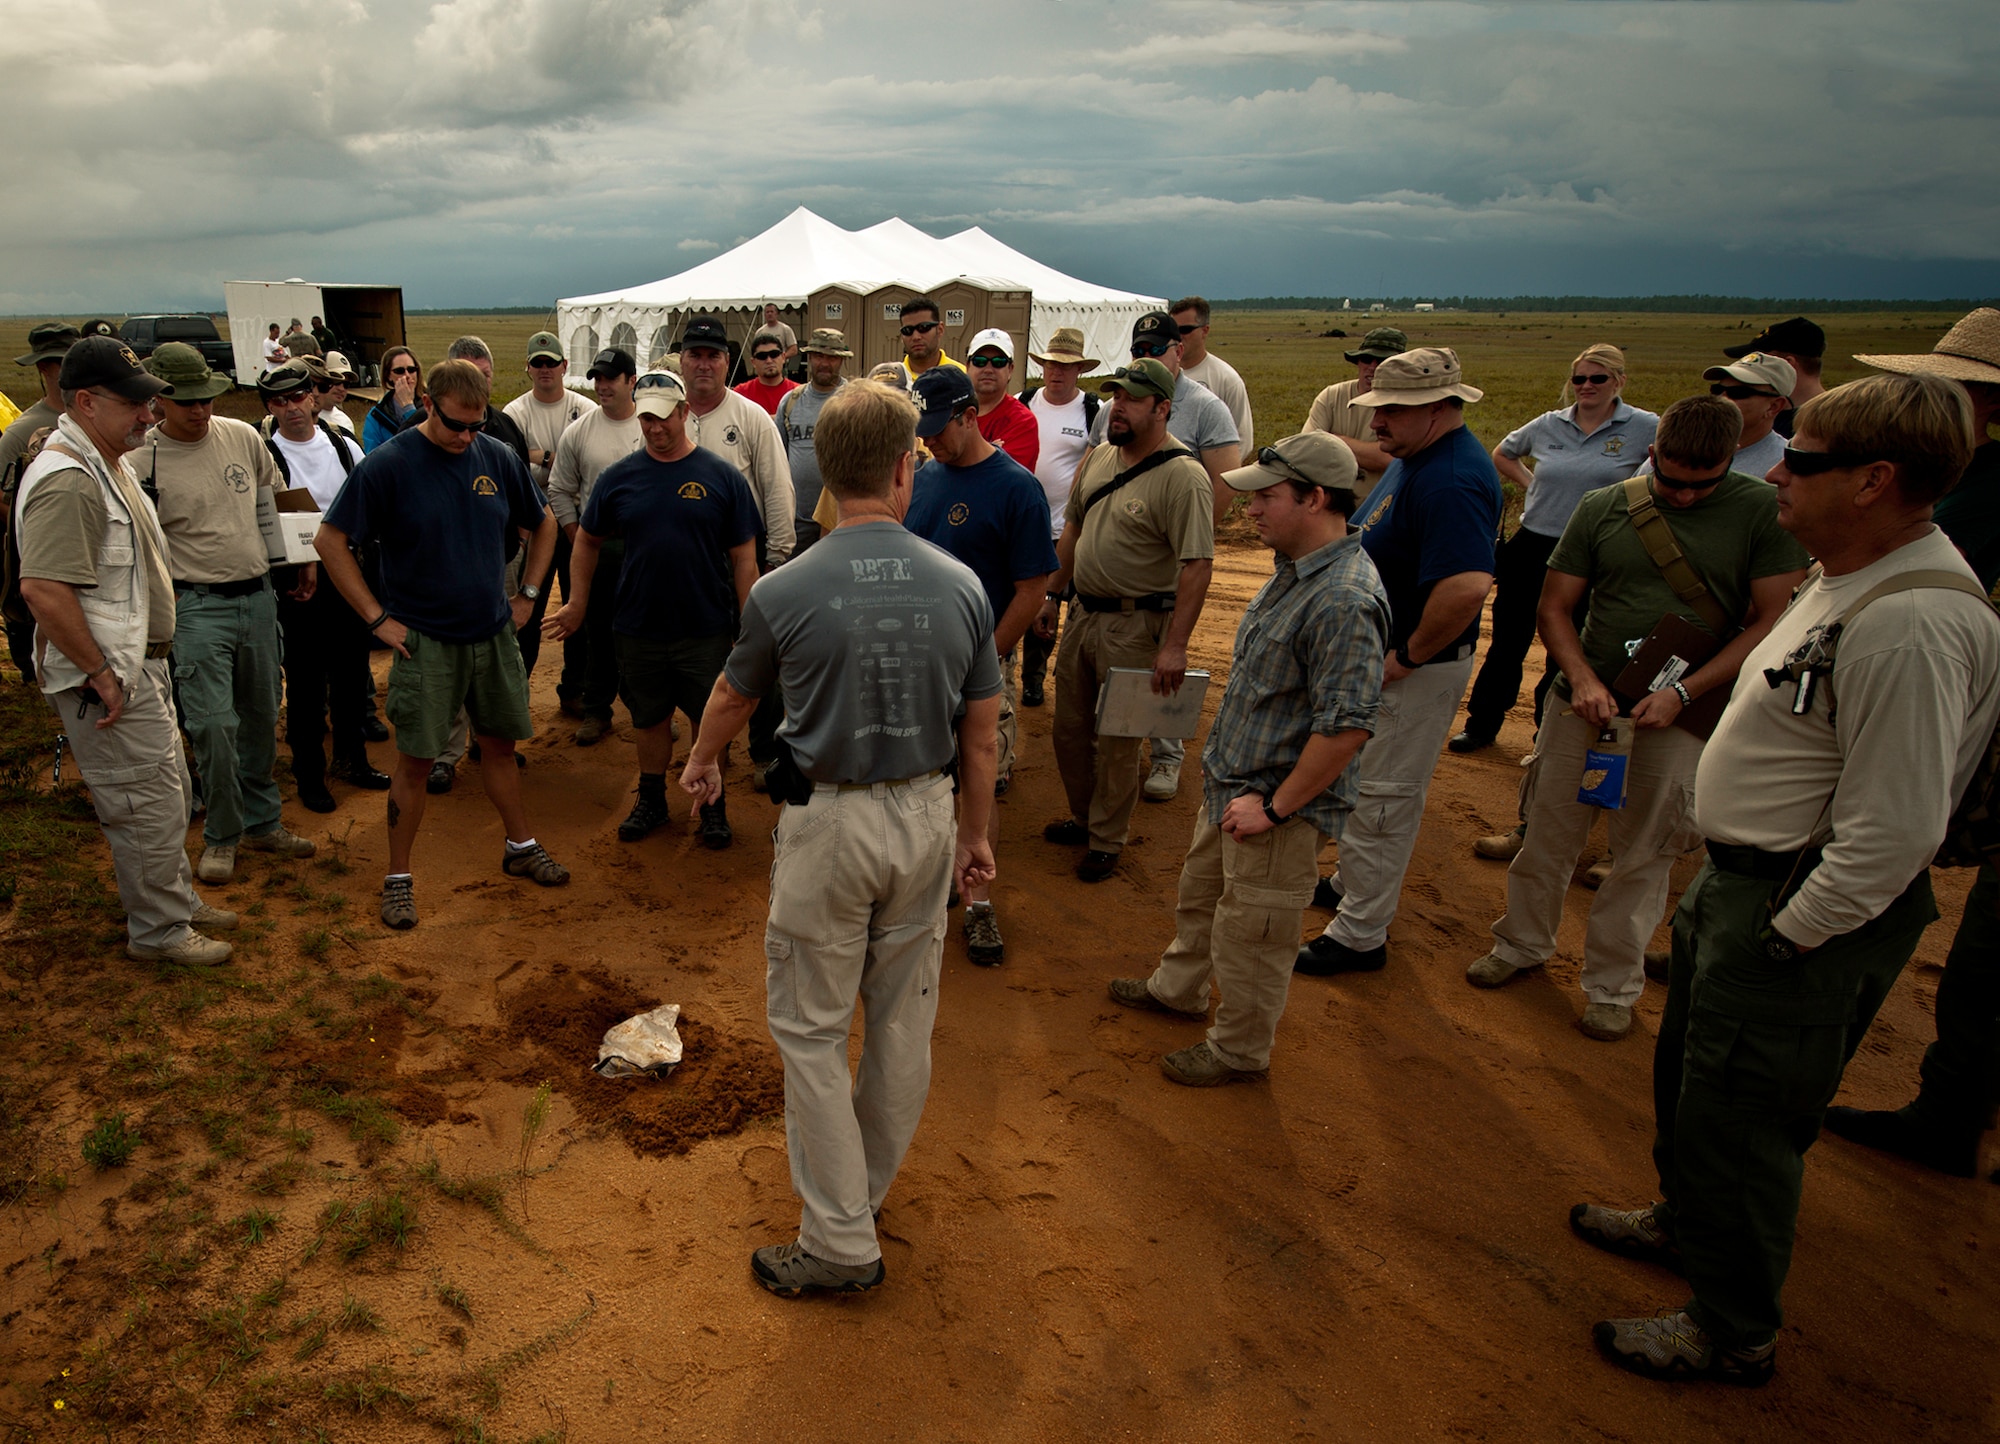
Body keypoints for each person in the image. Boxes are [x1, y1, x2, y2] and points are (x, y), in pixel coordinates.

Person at [1575, 373, 2000, 1384]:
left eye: (1798, 460)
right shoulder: (1844, 571)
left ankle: (1729, 1325)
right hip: (1745, 888)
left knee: (1745, 1123)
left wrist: (1786, 933)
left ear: (1872, 480)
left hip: (1790, 906)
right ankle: (1687, 1225)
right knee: (1696, 1090)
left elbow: (1893, 825)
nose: (1776, 476)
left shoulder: (1911, 620)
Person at [678, 378, 1001, 1298]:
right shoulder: (962, 584)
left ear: (828, 474)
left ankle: (841, 1240)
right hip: (928, 815)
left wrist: (703, 761)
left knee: (813, 1031)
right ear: (907, 468)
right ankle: (859, 1197)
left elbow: (735, 695)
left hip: (830, 826)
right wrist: (976, 836)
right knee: (902, 1023)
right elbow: (982, 733)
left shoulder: (787, 587)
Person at [1462, 394, 1809, 1040]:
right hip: (1584, 703)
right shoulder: (1606, 507)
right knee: (1546, 835)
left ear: (1731, 461)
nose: (1680, 496)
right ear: (1652, 455)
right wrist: (1585, 680)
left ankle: (1612, 986)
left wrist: (1685, 693)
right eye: (1669, 480)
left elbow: (1771, 621)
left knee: (1644, 855)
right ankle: (1520, 946)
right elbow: (1556, 608)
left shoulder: (1761, 513)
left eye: (1699, 485)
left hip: (1677, 716)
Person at [1109, 433, 1387, 1083]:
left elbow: (1346, 728)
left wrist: (1277, 807)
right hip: (1232, 785)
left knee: (1254, 933)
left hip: (1270, 803)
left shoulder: (1345, 597)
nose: (1250, 509)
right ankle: (1178, 989)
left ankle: (1239, 1048)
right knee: (1203, 900)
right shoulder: (1296, 570)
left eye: (1266, 496)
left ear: (1316, 498)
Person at [1820, 307, 2000, 1176]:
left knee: (1980, 966)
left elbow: (1890, 826)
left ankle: (1950, 1112)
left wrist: (1795, 929)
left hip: (1953, 737)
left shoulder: (1973, 506)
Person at [315, 358, 566, 929]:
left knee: (500, 747)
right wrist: (377, 619)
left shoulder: (495, 456)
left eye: (477, 425)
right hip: (424, 642)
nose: (466, 437)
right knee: (417, 761)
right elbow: (330, 540)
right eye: (456, 425)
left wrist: (528, 594)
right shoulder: (389, 465)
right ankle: (398, 877)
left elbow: (544, 522)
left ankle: (520, 847)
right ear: (428, 405)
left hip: (491, 633)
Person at [14, 336, 237, 965]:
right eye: (134, 403)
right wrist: (99, 673)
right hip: (108, 679)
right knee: (141, 801)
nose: (148, 414)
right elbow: (44, 590)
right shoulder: (68, 480)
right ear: (85, 402)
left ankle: (173, 900)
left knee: (163, 791)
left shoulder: (104, 461)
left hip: (136, 667)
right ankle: (159, 932)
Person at [1296, 347, 1500, 975]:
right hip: (1388, 657)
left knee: (1384, 796)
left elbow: (1467, 586)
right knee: (1364, 783)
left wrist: (1407, 655)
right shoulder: (1422, 458)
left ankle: (1361, 934)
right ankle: (1352, 886)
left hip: (1412, 668)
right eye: (1377, 407)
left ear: (1439, 409)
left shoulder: (1452, 477)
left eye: (1391, 410)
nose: (1377, 421)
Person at [545, 371, 757, 848]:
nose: (654, 428)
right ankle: (652, 799)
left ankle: (713, 805)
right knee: (648, 718)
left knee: (709, 720)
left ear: (684, 412)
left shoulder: (721, 476)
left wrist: (752, 622)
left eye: (663, 417)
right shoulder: (619, 479)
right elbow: (587, 542)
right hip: (638, 625)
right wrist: (577, 602)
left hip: (704, 626)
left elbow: (744, 556)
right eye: (646, 418)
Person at [134, 344, 319, 882]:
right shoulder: (142, 460)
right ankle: (222, 833)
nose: (199, 411)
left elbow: (280, 497)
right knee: (213, 726)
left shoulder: (241, 436)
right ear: (159, 399)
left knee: (262, 714)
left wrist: (304, 558)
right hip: (194, 607)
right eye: (186, 401)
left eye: (207, 399)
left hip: (259, 598)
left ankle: (263, 823)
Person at [1036, 358, 1214, 881]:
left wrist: (1175, 646)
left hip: (1138, 625)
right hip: (1084, 614)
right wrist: (1052, 595)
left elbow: (1197, 566)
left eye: (1133, 399)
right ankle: (1083, 815)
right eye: (1116, 395)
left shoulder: (1184, 476)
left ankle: (1107, 838)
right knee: (1069, 728)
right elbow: (1071, 530)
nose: (1119, 406)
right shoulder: (1100, 459)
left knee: (1119, 740)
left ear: (1163, 408)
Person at [905, 367, 1058, 962]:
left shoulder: (1015, 487)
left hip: (979, 665)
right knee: (925, 781)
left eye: (940, 430)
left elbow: (1031, 587)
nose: (931, 441)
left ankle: (981, 905)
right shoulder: (922, 479)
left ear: (971, 417)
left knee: (979, 786)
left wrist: (986, 659)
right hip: (922, 662)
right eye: (925, 432)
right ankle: (938, 883)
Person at [1451, 346, 1659, 755]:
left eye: (1597, 379)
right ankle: (1482, 724)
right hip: (1535, 541)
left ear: (1619, 380)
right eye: (1579, 379)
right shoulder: (1549, 424)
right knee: (1508, 640)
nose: (1586, 387)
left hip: (1594, 549)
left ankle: (1544, 735)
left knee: (1567, 645)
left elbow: (1659, 469)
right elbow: (1504, 453)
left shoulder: (1644, 427)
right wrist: (1534, 486)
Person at [1079, 311, 1239, 801]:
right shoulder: (1114, 414)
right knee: (1113, 697)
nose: (1146, 355)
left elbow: (1225, 481)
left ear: (1179, 351)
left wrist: (1188, 536)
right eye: (1139, 348)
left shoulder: (1209, 406)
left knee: (1152, 683)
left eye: (1156, 347)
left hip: (1166, 554)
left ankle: (1166, 759)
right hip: (1114, 564)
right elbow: (1092, 484)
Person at [259, 360, 387, 810]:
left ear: (312, 398)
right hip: (297, 586)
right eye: (280, 400)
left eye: (298, 396)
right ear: (270, 407)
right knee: (307, 684)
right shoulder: (266, 455)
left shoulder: (343, 446)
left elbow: (372, 499)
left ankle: (352, 760)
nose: (292, 407)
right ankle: (309, 773)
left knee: (353, 675)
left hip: (349, 574)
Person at [678, 316, 796, 790]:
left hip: (743, 561)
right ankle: (704, 743)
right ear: (682, 361)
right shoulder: (667, 414)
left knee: (758, 650)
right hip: (684, 568)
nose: (704, 364)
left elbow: (777, 489)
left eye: (713, 355)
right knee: (697, 656)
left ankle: (765, 748)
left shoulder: (751, 417)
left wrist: (778, 559)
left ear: (727, 362)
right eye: (696, 355)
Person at [546, 347, 642, 745]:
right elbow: (559, 488)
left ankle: (648, 711)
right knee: (597, 632)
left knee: (642, 635)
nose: (602, 386)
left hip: (644, 550)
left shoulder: (650, 425)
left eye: (611, 378)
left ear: (631, 381)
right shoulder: (580, 430)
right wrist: (576, 535)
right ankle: (597, 710)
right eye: (598, 379)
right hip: (599, 547)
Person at [504, 330, 598, 724]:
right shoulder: (514, 413)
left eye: (551, 363)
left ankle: (574, 690)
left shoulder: (586, 408)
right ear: (528, 368)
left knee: (579, 609)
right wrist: (556, 460)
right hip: (532, 523)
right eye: (538, 363)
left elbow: (584, 466)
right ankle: (514, 696)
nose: (545, 370)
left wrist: (538, 457)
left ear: (565, 366)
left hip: (577, 524)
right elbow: (512, 469)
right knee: (528, 608)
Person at [1017, 328, 1100, 708]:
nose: (1057, 372)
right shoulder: (1025, 401)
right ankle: (1018, 672)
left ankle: (1046, 677)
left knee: (1056, 601)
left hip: (1067, 525)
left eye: (1066, 366)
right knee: (1023, 596)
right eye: (1052, 364)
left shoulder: (1092, 411)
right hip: (1023, 523)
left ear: (1079, 370)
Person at [2, 324, 81, 683]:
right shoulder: (22, 432)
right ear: (42, 369)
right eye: (58, 362)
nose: (66, 370)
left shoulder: (96, 416)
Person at [1303, 326, 1405, 497]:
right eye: (1366, 359)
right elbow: (1308, 449)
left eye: (1381, 361)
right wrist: (1368, 452)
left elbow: (1391, 459)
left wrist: (1334, 440)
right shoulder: (1332, 396)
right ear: (1358, 362)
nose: (1372, 367)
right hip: (1332, 511)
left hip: (1382, 512)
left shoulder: (1407, 404)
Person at [775, 329, 850, 552]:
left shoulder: (856, 400)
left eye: (832, 357)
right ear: (809, 358)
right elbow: (779, 460)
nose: (825, 363)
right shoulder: (790, 401)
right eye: (819, 356)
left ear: (842, 360)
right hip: (798, 522)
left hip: (842, 520)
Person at [1171, 296, 1254, 461]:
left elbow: (1243, 440)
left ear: (1205, 331)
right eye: (1173, 330)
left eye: (1185, 330)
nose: (1178, 337)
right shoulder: (1160, 374)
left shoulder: (1226, 379)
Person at [1727, 317, 1826, 437]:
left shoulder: (1826, 425)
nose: (1749, 370)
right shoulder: (1764, 415)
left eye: (1761, 362)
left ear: (1788, 364)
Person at [963, 328, 1039, 471]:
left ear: (1010, 369)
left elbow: (1000, 477)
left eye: (998, 362)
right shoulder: (953, 411)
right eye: (980, 361)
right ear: (967, 366)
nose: (988, 369)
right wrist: (991, 450)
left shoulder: (1023, 421)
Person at [362, 345, 427, 452]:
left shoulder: (431, 403)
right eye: (400, 371)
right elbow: (372, 458)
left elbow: (425, 443)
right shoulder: (377, 416)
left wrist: (408, 408)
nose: (407, 375)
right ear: (388, 376)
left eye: (411, 370)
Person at [734, 332, 799, 416]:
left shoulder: (799, 393)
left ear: (783, 357)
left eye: (774, 354)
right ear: (753, 362)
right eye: (762, 356)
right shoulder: (740, 394)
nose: (769, 360)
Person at [898, 296, 961, 378]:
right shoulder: (889, 381)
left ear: (940, 329)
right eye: (907, 330)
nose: (916, 337)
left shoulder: (961, 376)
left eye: (923, 328)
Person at [318, 352, 359, 436]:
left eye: (346, 384)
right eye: (336, 381)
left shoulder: (345, 422)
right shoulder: (304, 417)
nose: (341, 388)